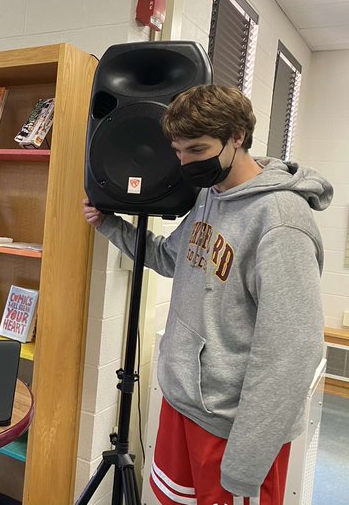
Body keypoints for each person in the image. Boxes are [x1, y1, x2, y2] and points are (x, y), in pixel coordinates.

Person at [83, 85, 332, 505]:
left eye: (197, 150)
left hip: (233, 431)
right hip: (186, 405)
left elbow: (290, 354)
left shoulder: (282, 221)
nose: (185, 163)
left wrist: (246, 463)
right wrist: (110, 225)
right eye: (179, 151)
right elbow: (169, 257)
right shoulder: (210, 197)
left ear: (237, 136)